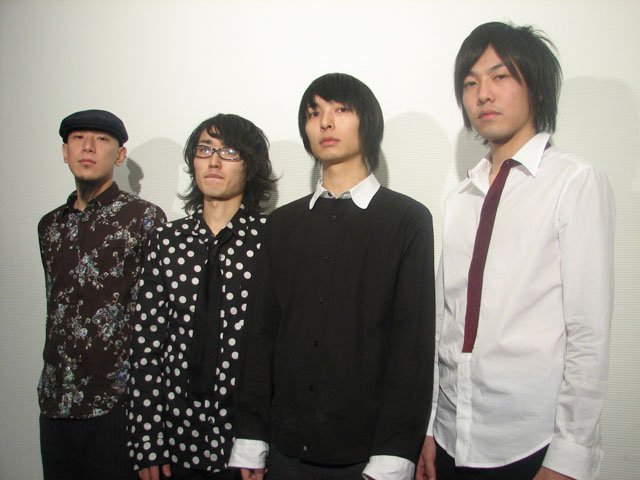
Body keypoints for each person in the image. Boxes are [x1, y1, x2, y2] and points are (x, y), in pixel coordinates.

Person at [417, 22, 615, 480]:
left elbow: (588, 332)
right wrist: (428, 426)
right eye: (470, 83)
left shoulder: (574, 181)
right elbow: (445, 321)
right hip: (450, 435)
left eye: (500, 76)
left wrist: (569, 456)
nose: (483, 94)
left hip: (530, 442)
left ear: (537, 88)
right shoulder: (461, 197)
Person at [229, 73, 436, 480]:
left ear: (368, 122)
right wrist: (251, 438)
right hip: (285, 452)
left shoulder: (407, 220)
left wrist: (394, 455)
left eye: (341, 109)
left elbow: (411, 346)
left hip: (368, 458)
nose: (325, 122)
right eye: (314, 113)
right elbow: (261, 334)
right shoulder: (282, 224)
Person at [127, 113, 276, 480]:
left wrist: (262, 442)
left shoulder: (273, 241)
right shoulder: (165, 242)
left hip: (247, 443)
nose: (214, 161)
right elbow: (146, 346)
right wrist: (147, 440)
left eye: (229, 151)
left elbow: (280, 350)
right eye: (205, 150)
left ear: (250, 166)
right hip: (174, 439)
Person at [38, 109, 166, 479]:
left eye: (102, 139)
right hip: (55, 401)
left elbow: (156, 319)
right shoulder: (50, 226)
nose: (89, 147)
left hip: (115, 404)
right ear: (65, 151)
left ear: (119, 155)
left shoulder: (144, 219)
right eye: (78, 138)